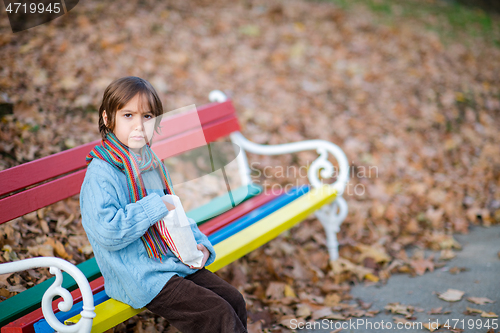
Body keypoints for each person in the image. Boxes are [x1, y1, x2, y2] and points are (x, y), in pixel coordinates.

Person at [80, 76, 247, 333]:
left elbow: (173, 211)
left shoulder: (149, 161)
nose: (139, 126)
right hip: (139, 275)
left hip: (170, 260)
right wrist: (152, 206)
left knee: (233, 299)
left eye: (147, 117)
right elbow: (107, 232)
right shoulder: (101, 173)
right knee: (216, 314)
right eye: (128, 115)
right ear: (107, 118)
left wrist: (200, 244)